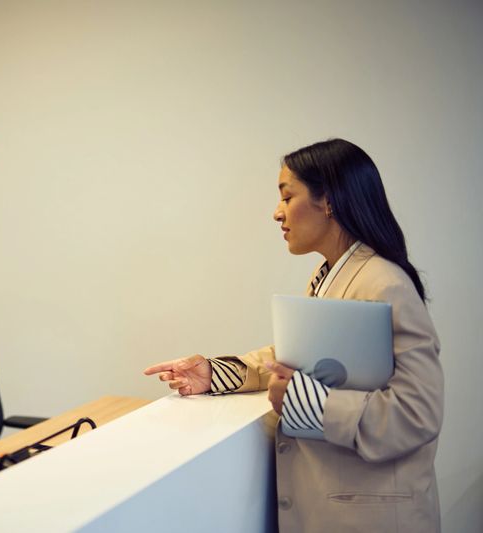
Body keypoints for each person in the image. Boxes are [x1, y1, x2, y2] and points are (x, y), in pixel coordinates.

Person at [144, 139, 443, 532]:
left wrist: (308, 402)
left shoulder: (382, 282)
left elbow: (419, 413)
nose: (276, 213)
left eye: (287, 197)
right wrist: (218, 373)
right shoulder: (332, 275)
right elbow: (301, 357)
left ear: (329, 201)